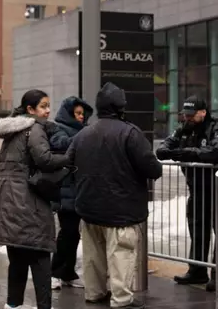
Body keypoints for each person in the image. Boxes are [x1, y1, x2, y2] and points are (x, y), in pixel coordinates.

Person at [67, 82, 162, 309]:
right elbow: (152, 169)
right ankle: (121, 299)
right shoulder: (130, 133)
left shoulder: (83, 134)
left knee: (93, 256)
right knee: (121, 254)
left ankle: (94, 293)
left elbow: (68, 165)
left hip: (89, 207)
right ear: (120, 107)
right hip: (121, 210)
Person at [0, 89, 70, 309]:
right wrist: (69, 157)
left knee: (17, 259)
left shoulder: (12, 132)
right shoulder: (34, 128)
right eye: (43, 106)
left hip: (6, 198)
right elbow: (44, 159)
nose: (48, 110)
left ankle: (13, 305)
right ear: (30, 110)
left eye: (49, 105)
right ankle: (44, 306)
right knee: (41, 258)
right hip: (27, 199)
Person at [156, 95, 218, 292]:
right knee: (197, 229)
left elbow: (215, 152)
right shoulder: (184, 128)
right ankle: (197, 270)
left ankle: (216, 275)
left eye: (192, 115)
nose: (188, 119)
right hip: (197, 189)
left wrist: (189, 153)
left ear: (203, 112)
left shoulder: (214, 127)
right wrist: (171, 152)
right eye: (186, 115)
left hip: (216, 188)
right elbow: (163, 149)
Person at [49, 96, 93, 290]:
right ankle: (55, 271)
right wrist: (83, 136)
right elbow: (61, 144)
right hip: (66, 190)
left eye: (82, 114)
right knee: (67, 233)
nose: (81, 117)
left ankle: (68, 272)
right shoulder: (58, 128)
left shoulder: (84, 131)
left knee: (74, 234)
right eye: (77, 113)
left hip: (80, 190)